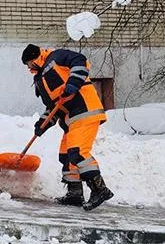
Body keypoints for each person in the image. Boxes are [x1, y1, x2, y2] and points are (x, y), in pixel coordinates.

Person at [22, 44, 114, 211]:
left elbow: (80, 60)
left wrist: (73, 82)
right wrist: (42, 124)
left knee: (78, 152)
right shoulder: (41, 78)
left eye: (28, 64)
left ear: (33, 59)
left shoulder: (56, 57)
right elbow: (54, 107)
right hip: (71, 120)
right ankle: (75, 194)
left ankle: (100, 189)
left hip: (85, 111)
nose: (29, 69)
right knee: (66, 156)